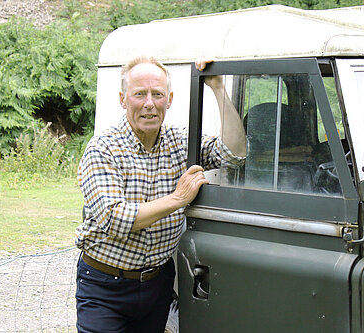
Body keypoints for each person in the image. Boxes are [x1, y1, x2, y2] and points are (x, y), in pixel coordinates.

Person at [75, 55, 246, 332]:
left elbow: (234, 153)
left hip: (158, 283)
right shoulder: (103, 149)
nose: (149, 104)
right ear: (122, 99)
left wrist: (216, 86)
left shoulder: (179, 142)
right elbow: (115, 219)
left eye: (157, 94)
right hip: (105, 285)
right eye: (139, 94)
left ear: (169, 99)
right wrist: (178, 198)